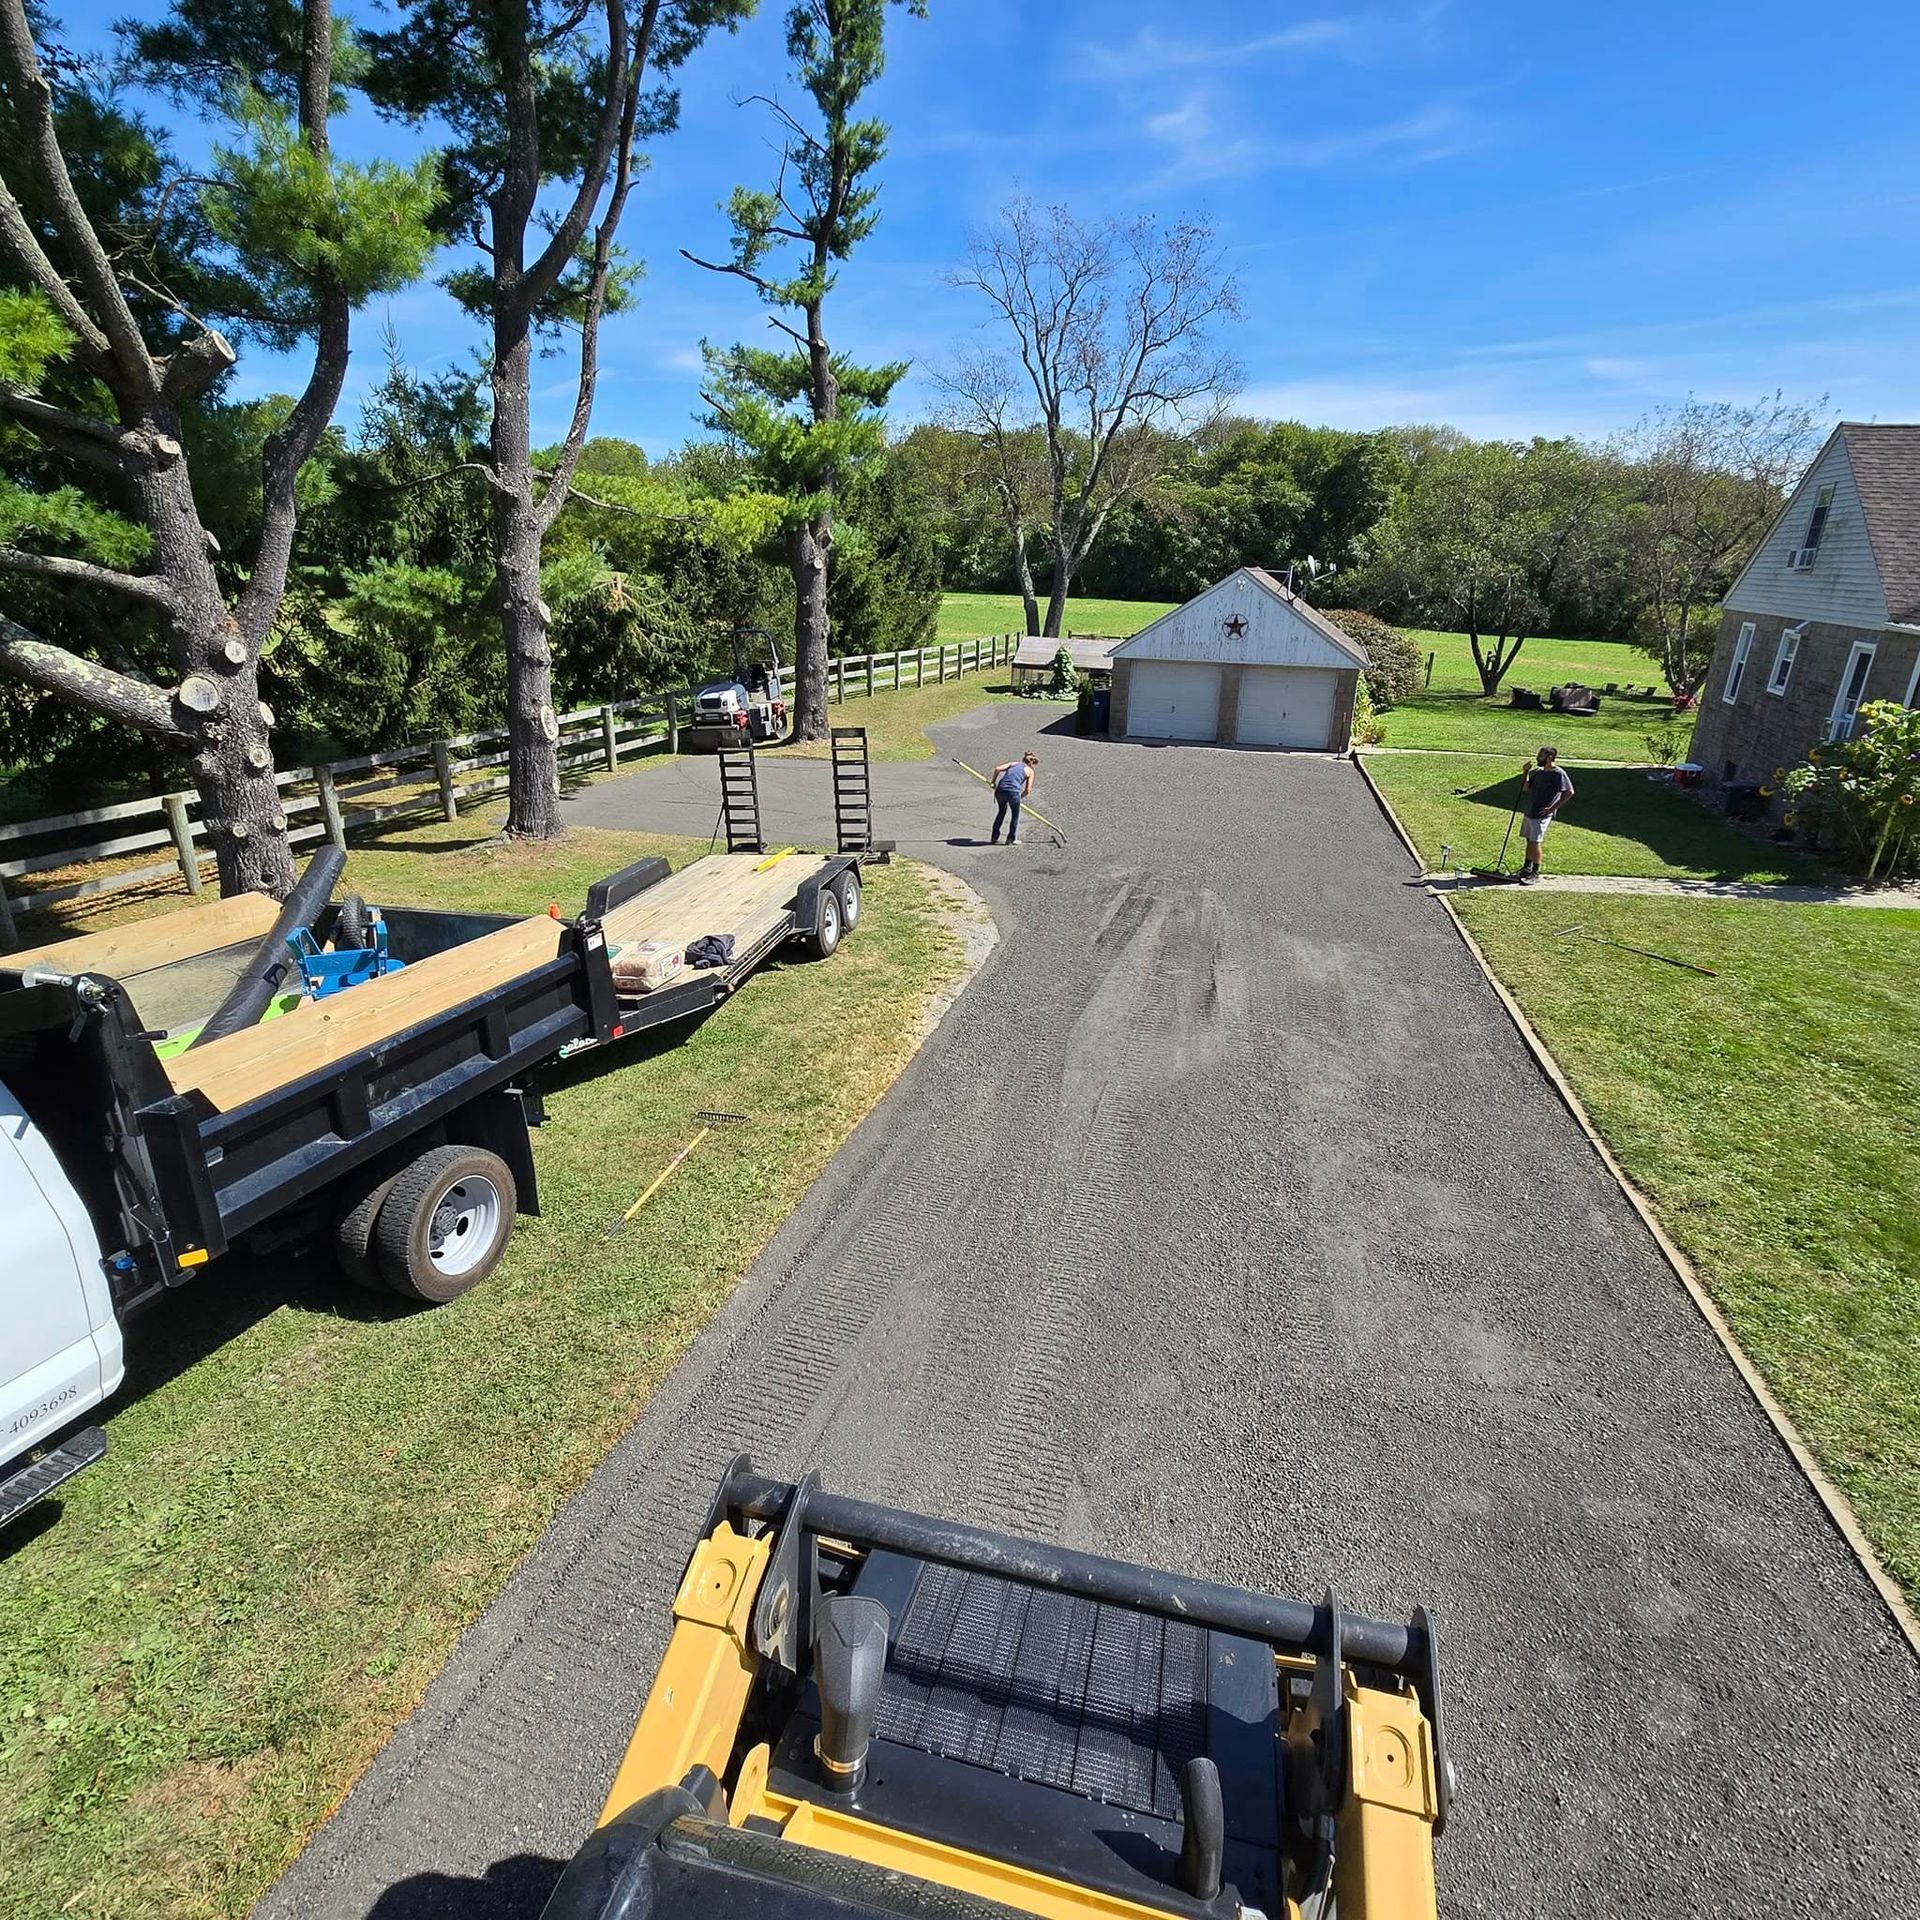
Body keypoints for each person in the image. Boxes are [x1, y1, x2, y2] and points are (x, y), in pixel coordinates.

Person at [1518, 745, 1573, 882]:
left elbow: (1569, 792)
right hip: (1530, 810)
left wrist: (1552, 808)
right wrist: (1526, 773)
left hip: (1542, 814)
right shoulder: (1538, 772)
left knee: (1536, 842)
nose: (1537, 758)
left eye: (1540, 756)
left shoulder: (1558, 774)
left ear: (1550, 757)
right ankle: (1527, 868)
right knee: (1529, 840)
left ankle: (1535, 873)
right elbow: (1526, 788)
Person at [989, 751, 1038, 845]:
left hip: (1001, 790)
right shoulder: (1030, 771)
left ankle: (994, 837)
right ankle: (1011, 838)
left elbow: (997, 769)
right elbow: (1028, 790)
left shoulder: (1014, 764)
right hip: (1013, 792)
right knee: (1015, 815)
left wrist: (993, 782)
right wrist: (1019, 797)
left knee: (1001, 812)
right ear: (1032, 763)